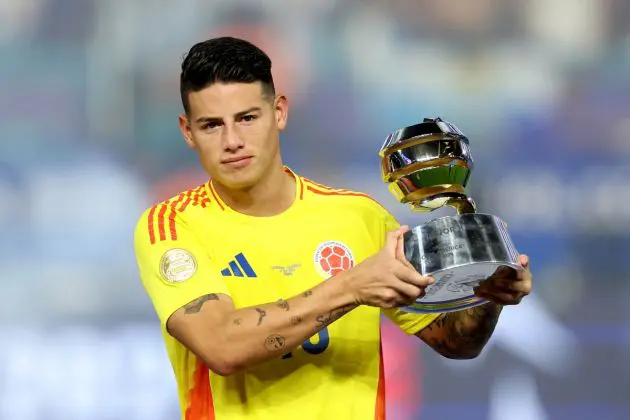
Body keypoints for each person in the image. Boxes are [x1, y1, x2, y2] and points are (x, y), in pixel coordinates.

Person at [133, 36, 532, 420]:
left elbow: (455, 342)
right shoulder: (172, 225)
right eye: (212, 126)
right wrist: (350, 286)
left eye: (247, 118)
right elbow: (221, 346)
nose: (233, 140)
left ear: (280, 113)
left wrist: (487, 294)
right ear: (188, 132)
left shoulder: (357, 216)